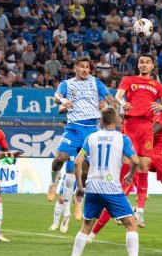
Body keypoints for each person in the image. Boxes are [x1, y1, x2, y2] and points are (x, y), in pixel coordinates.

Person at [88, 90, 162, 249]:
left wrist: (128, 122)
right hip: (149, 152)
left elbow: (151, 130)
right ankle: (95, 232)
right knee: (122, 187)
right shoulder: (151, 114)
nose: (159, 102)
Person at [48, 56, 116, 233]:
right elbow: (56, 97)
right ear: (75, 68)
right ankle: (53, 182)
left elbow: (110, 97)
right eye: (82, 67)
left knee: (85, 171)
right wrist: (63, 101)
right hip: (73, 128)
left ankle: (79, 202)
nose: (85, 70)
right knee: (58, 159)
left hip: (91, 130)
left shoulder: (95, 83)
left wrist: (118, 104)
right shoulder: (67, 84)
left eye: (88, 67)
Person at [68, 107, 140, 256]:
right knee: (131, 223)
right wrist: (130, 174)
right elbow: (135, 160)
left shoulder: (91, 137)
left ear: (101, 121)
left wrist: (80, 186)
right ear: (116, 120)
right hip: (111, 187)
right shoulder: (123, 139)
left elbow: (77, 162)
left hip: (92, 187)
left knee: (86, 226)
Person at [115, 53, 162, 227]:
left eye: (147, 62)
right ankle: (121, 209)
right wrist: (122, 103)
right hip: (130, 126)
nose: (144, 65)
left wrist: (161, 106)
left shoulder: (158, 86)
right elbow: (117, 96)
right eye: (141, 62)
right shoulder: (129, 80)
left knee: (144, 166)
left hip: (147, 128)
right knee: (127, 163)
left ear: (153, 66)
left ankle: (140, 211)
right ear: (138, 65)